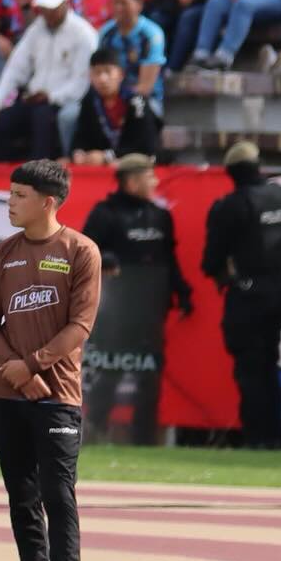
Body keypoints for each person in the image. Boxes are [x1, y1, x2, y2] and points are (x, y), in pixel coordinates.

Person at [0, 159, 100, 561]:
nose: (10, 202)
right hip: (7, 394)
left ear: (48, 202)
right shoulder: (1, 254)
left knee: (58, 493)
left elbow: (80, 326)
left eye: (19, 195)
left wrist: (32, 365)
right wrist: (15, 371)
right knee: (22, 495)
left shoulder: (80, 250)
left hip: (57, 393)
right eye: (10, 194)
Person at [80, 154, 188, 444]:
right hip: (115, 311)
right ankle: (94, 431)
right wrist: (108, 258)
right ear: (131, 181)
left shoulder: (160, 216)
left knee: (149, 377)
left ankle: (144, 437)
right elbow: (85, 251)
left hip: (150, 310)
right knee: (108, 372)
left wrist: (181, 291)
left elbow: (169, 258)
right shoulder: (105, 213)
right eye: (148, 177)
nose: (154, 182)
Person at [200, 141, 281, 450]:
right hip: (278, 292)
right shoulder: (279, 197)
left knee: (251, 372)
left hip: (248, 297)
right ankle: (276, 436)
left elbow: (210, 261)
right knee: (270, 365)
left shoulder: (232, 205)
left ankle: (257, 438)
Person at [0, 0, 99, 161]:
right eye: (43, 8)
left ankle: (38, 175)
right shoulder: (36, 30)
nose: (47, 13)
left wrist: (51, 96)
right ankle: (1, 173)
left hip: (65, 101)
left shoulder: (84, 34)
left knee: (42, 120)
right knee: (0, 121)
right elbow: (15, 69)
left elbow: (81, 82)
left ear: (66, 3)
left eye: (52, 8)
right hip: (35, 99)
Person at [70, 47, 161, 160]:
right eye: (97, 72)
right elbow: (81, 136)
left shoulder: (137, 102)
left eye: (108, 71)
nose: (102, 79)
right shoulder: (89, 102)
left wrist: (107, 156)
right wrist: (78, 152)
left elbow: (145, 146)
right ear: (90, 76)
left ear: (120, 75)